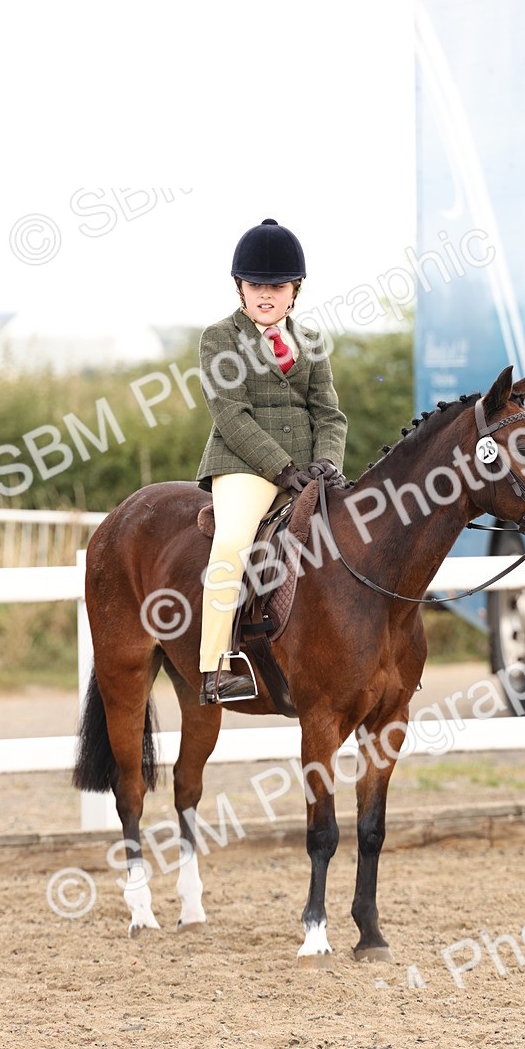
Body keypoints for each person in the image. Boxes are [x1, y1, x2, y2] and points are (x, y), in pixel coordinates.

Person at [195, 218, 348, 705]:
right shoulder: (219, 338)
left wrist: (326, 461)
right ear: (240, 288)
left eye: (276, 286)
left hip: (308, 466)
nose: (266, 295)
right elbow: (232, 415)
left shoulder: (312, 341)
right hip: (244, 464)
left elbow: (329, 413)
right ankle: (216, 667)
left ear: (294, 290)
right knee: (233, 543)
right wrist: (282, 469)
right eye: (256, 285)